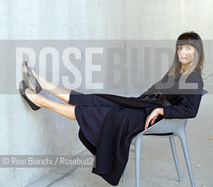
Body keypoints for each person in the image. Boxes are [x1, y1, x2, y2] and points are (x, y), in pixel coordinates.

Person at [19, 31, 205, 185]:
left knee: (100, 111)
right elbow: (156, 90)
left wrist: (162, 110)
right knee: (100, 100)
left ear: (196, 51)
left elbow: (190, 110)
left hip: (159, 118)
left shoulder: (195, 77)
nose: (182, 52)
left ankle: (40, 101)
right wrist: (139, 101)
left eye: (188, 48)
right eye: (180, 47)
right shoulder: (176, 71)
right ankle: (44, 85)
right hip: (146, 108)